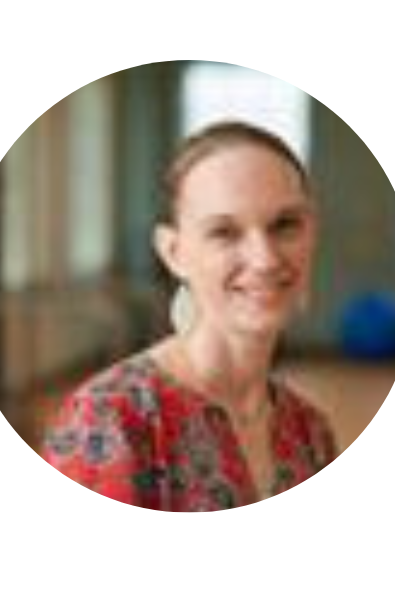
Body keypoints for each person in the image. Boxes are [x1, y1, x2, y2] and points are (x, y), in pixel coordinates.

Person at [41, 121, 341, 513]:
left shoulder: (311, 431)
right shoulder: (107, 421)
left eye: (285, 225)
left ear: (312, 232)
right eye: (224, 232)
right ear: (173, 252)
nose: (265, 259)